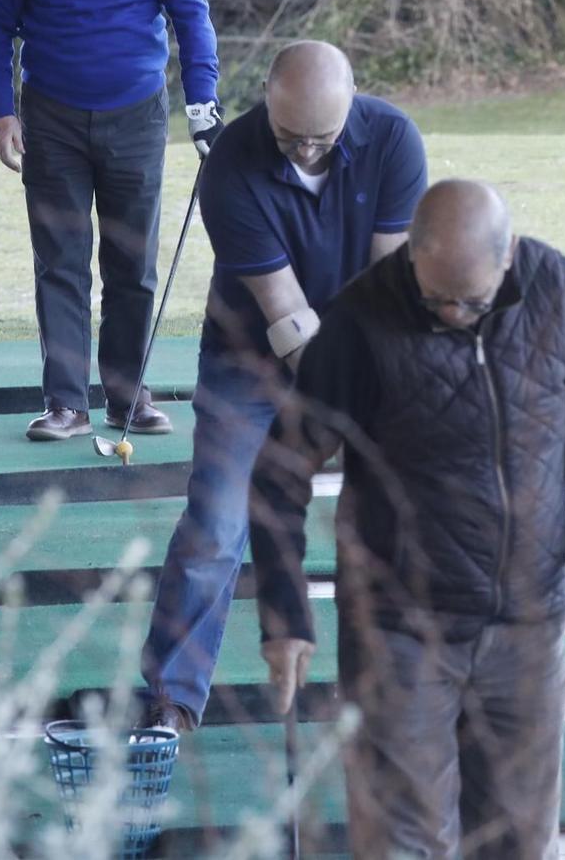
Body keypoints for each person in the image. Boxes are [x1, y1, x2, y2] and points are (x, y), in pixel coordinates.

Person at [251, 179, 565, 859]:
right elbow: (281, 472)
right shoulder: (362, 318)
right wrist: (285, 615)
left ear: (509, 254)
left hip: (527, 623)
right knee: (404, 843)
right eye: (436, 300)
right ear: (410, 258)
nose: (454, 313)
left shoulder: (559, 294)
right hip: (401, 634)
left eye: (473, 301)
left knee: (516, 841)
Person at [141, 40, 428, 731]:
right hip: (252, 357)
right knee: (216, 526)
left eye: (320, 139)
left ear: (351, 109)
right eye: (289, 136)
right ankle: (171, 697)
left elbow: (388, 291)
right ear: (266, 100)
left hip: (361, 348)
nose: (303, 152)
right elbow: (286, 315)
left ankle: (409, 693)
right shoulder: (233, 166)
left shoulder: (393, 142)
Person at [0, 0, 222, 442]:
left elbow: (191, 17)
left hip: (136, 115)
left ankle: (127, 395)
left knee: (132, 264)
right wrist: (2, 111)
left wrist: (203, 104)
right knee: (60, 262)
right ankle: (66, 405)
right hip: (51, 117)